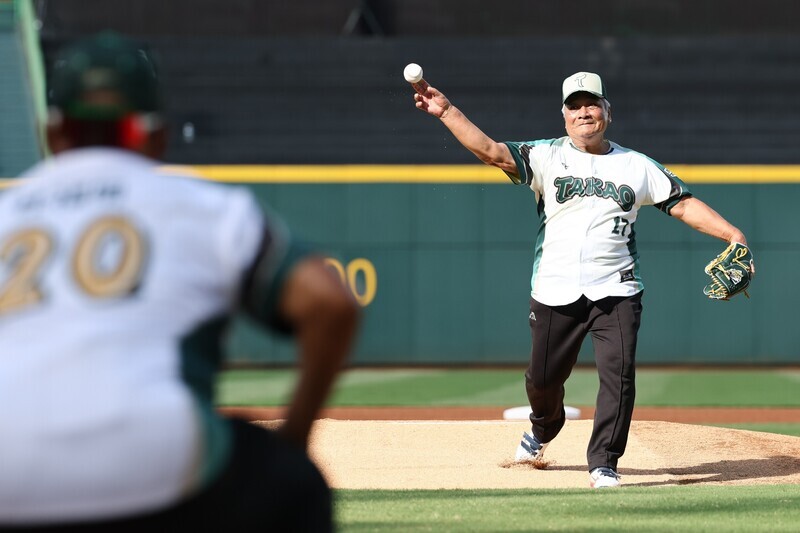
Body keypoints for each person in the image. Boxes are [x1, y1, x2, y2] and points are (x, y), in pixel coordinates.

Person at [0, 32, 359, 530]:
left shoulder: (6, 214)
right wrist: (294, 438)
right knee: (289, 481)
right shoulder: (199, 205)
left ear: (54, 133)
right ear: (158, 135)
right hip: (152, 462)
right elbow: (330, 302)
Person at [412, 71, 749, 488]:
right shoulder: (546, 156)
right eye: (575, 105)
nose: (584, 112)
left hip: (618, 291)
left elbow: (682, 204)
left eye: (592, 104)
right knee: (542, 380)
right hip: (555, 290)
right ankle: (542, 428)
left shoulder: (636, 165)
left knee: (619, 376)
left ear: (607, 110)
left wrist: (732, 234)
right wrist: (447, 111)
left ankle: (604, 462)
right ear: (564, 115)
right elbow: (492, 152)